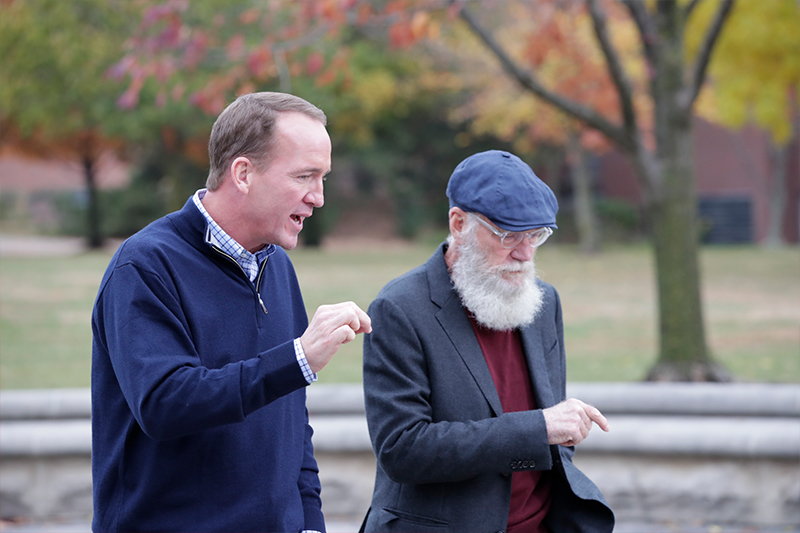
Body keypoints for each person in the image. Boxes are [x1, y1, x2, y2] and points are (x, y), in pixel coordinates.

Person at [91, 92, 371, 533]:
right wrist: (295, 358)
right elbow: (163, 403)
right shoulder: (144, 266)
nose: (318, 197)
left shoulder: (277, 266)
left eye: (323, 178)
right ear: (243, 173)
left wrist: (310, 522)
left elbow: (292, 424)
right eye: (305, 176)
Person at [361, 150, 614, 533]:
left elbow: (552, 435)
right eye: (509, 234)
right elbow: (402, 449)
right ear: (459, 222)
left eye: (536, 235)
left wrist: (557, 427)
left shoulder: (544, 303)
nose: (525, 253)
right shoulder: (398, 309)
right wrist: (537, 428)